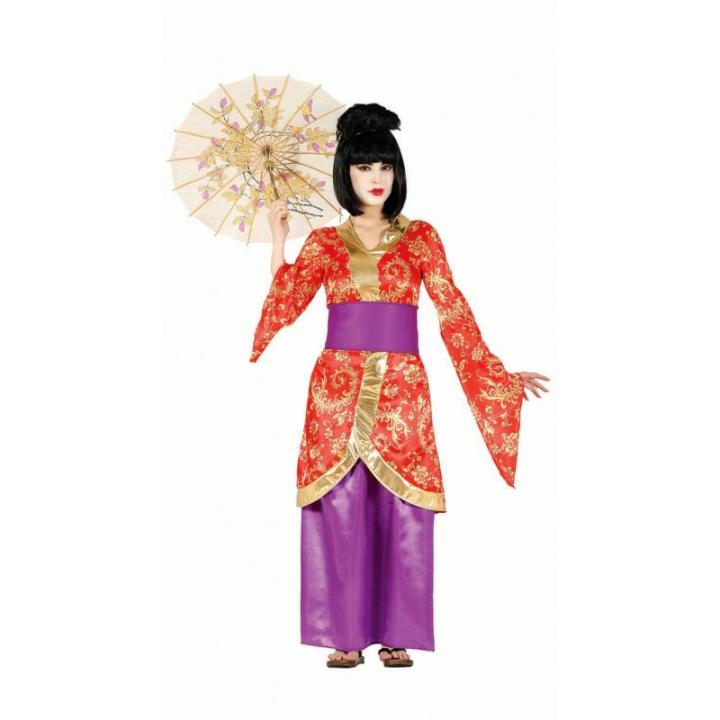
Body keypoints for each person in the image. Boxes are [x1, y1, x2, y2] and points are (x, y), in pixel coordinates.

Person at [249, 102, 550, 669]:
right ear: (346, 172)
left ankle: (397, 634)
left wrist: (496, 375)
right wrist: (279, 238)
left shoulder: (421, 237)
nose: (376, 177)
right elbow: (287, 299)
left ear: (397, 171)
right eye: (364, 167)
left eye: (384, 166)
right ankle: (344, 634)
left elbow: (452, 308)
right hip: (336, 387)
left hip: (403, 388)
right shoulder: (324, 242)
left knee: (403, 506)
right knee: (340, 504)